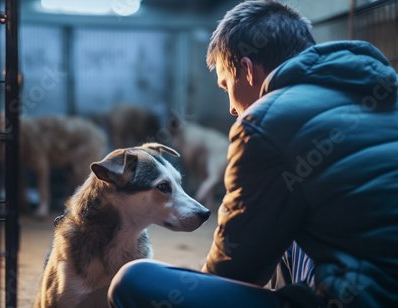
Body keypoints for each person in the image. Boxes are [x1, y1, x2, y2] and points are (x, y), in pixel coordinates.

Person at [107, 0, 398, 307]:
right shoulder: (383, 91)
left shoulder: (265, 121)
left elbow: (234, 270)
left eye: (225, 86)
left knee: (134, 279)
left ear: (246, 70)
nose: (232, 108)